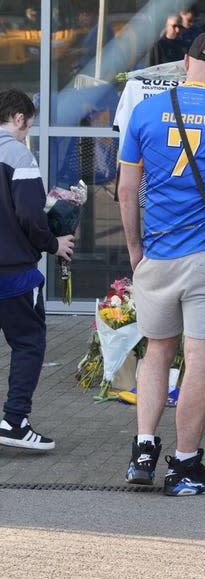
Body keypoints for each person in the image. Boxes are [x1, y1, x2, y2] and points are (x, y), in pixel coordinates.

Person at [118, 32, 205, 496]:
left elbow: (125, 190)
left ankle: (142, 450)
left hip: (156, 254)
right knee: (200, 359)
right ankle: (183, 466)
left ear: (185, 62)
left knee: (156, 350)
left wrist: (134, 248)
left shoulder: (145, 111)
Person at [0, 89, 75, 451]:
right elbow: (31, 216)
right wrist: (54, 244)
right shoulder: (18, 154)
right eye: (29, 125)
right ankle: (14, 422)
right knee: (29, 343)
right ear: (18, 118)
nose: (28, 131)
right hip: (13, 271)